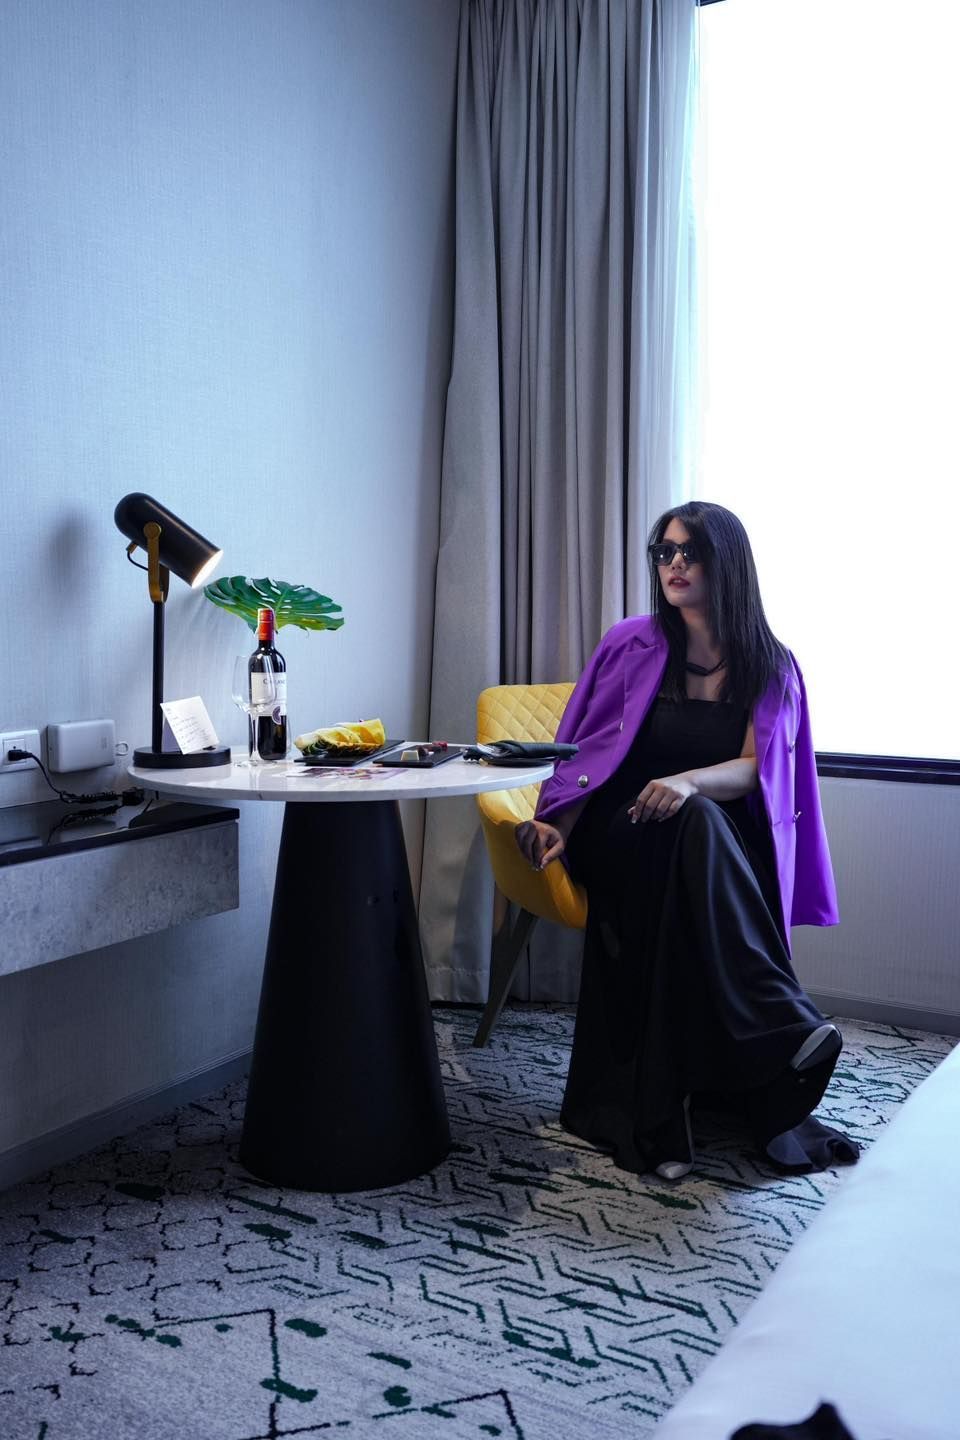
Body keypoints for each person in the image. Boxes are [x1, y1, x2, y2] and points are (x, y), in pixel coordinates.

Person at [515, 501, 858, 1179]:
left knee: (696, 822)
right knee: (695, 825)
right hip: (620, 833)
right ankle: (786, 1025)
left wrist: (690, 782)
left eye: (689, 553)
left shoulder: (769, 664)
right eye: (664, 552)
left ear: (725, 564)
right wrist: (559, 822)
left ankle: (662, 1120)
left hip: (705, 844)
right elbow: (585, 750)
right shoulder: (629, 644)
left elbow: (759, 768)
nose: (673, 565)